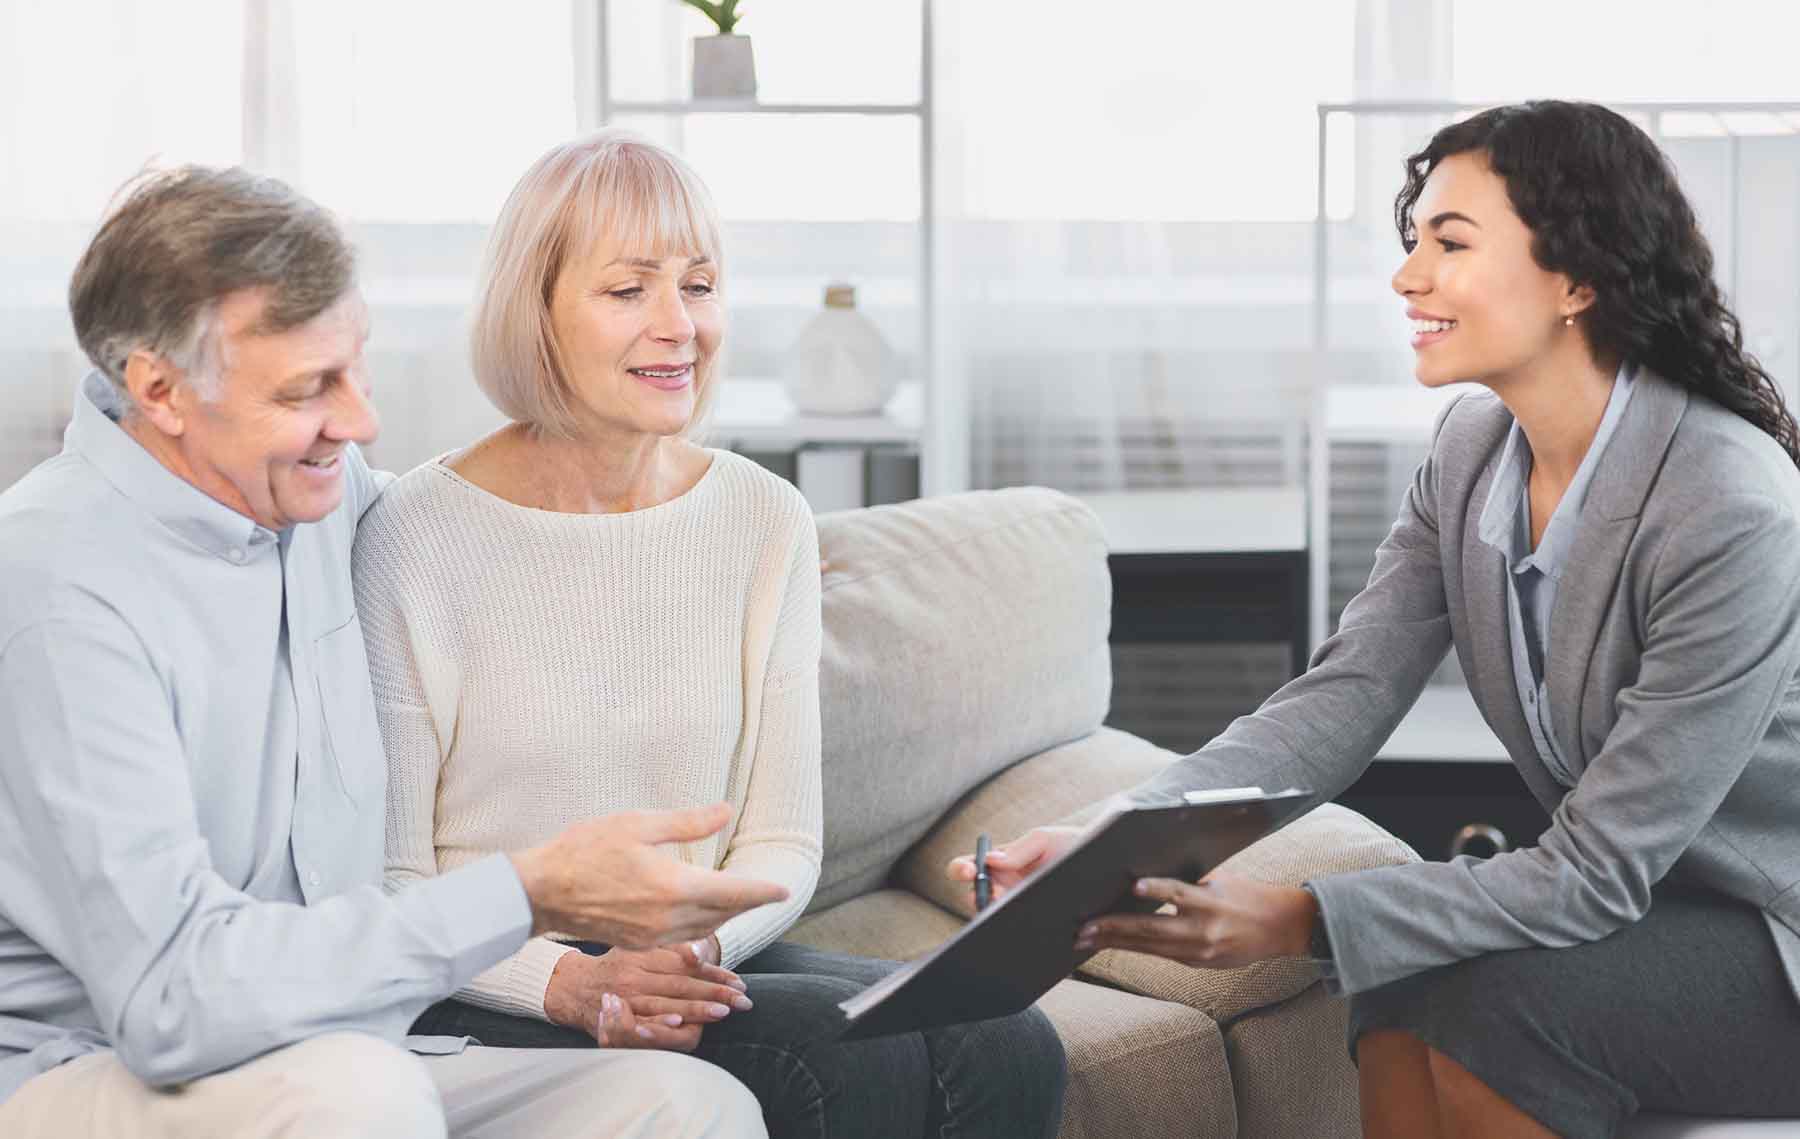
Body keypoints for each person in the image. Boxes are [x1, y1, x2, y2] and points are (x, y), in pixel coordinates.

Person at [953, 101, 1800, 1138]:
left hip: (1776, 929)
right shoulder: (1473, 447)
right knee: (1400, 978)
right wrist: (1119, 837)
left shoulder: (1728, 503)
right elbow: (1344, 694)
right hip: (1660, 903)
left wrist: (1299, 917)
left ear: (1578, 279)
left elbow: (1596, 868)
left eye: (1450, 243)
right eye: (1413, 243)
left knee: (1497, 1003)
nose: (1408, 278)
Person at [0, 165, 783, 1138]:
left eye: (357, 369)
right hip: (98, 1066)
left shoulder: (318, 498)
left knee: (687, 1104)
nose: (362, 422)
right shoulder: (55, 584)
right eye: (307, 388)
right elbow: (173, 1004)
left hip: (348, 1045)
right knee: (353, 1095)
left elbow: (490, 578)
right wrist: (528, 892)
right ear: (159, 389)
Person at [353, 129, 1068, 1138]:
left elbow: (782, 836)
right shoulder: (413, 537)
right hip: (488, 977)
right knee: (826, 1060)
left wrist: (699, 954)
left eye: (699, 284)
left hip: (702, 955)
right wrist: (562, 978)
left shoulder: (763, 518)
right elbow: (386, 878)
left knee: (1006, 1031)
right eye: (628, 289)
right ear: (535, 311)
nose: (678, 324)